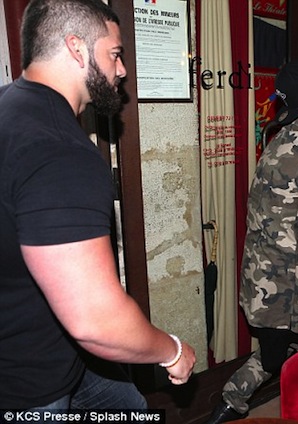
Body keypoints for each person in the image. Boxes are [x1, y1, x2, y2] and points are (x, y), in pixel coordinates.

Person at [0, 0, 195, 412]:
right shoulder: (60, 150)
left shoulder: (8, 106)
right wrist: (172, 350)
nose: (121, 70)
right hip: (30, 382)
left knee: (130, 408)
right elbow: (95, 320)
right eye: (115, 54)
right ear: (77, 48)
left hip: (64, 353)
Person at [206, 54, 298, 424]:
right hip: (293, 289)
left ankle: (229, 404)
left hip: (262, 280)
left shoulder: (278, 141)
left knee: (277, 353)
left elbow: (289, 220)